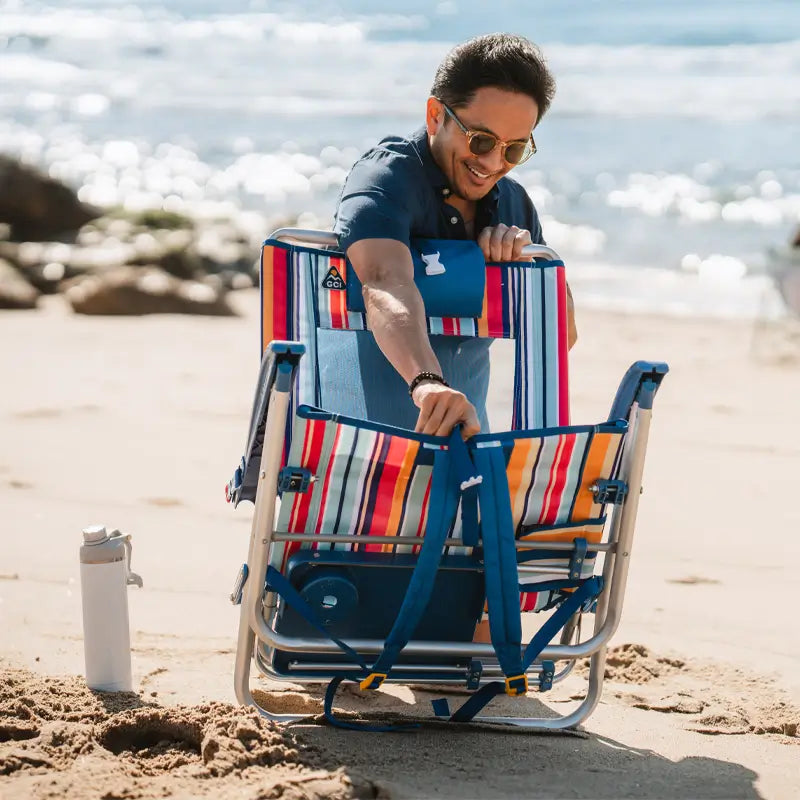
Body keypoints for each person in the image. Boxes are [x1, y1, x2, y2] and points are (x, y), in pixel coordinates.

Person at [323, 33, 576, 438]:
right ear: (435, 116)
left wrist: (527, 272)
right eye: (481, 140)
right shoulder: (385, 179)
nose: (493, 163)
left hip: (465, 453)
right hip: (356, 457)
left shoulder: (513, 204)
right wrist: (427, 383)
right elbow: (385, 281)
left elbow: (562, 336)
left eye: (513, 150)